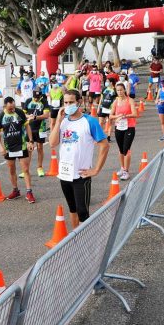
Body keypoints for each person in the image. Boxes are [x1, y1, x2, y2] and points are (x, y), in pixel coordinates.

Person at [49, 90, 109, 228]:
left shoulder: (89, 121)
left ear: (79, 102)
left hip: (81, 176)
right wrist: (58, 121)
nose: (68, 105)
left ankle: (86, 242)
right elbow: (52, 143)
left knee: (82, 212)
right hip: (64, 174)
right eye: (66, 102)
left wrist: (96, 169)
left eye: (71, 102)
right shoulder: (63, 122)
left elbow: (104, 145)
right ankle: (75, 238)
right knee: (72, 209)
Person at [0, 96, 36, 203]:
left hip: (21, 145)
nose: (12, 109)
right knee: (12, 170)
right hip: (9, 148)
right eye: (10, 108)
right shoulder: (1, 116)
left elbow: (27, 127)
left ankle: (29, 192)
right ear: (5, 106)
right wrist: (0, 147)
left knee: (25, 169)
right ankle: (15, 190)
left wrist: (30, 141)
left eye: (13, 107)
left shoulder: (20, 112)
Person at [110, 83, 137, 180]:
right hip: (119, 127)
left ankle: (126, 171)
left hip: (129, 127)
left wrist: (124, 116)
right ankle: (122, 168)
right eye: (118, 90)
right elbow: (110, 116)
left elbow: (135, 114)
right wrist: (118, 116)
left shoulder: (130, 100)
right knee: (121, 150)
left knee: (126, 149)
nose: (120, 92)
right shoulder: (115, 101)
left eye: (121, 90)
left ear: (124, 90)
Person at [24, 90, 50, 178]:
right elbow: (23, 114)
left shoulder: (44, 101)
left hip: (41, 128)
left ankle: (39, 167)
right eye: (35, 97)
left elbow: (46, 115)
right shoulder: (28, 101)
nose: (36, 99)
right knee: (29, 148)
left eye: (38, 98)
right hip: (29, 127)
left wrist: (35, 117)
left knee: (40, 147)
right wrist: (29, 116)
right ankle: (26, 170)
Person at [98, 78, 117, 142]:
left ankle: (108, 137)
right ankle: (99, 136)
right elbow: (101, 98)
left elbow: (116, 100)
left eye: (107, 81)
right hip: (102, 108)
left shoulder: (115, 90)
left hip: (110, 109)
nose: (106, 82)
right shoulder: (104, 89)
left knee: (110, 123)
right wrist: (98, 107)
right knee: (100, 123)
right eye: (106, 81)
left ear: (111, 82)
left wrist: (115, 109)